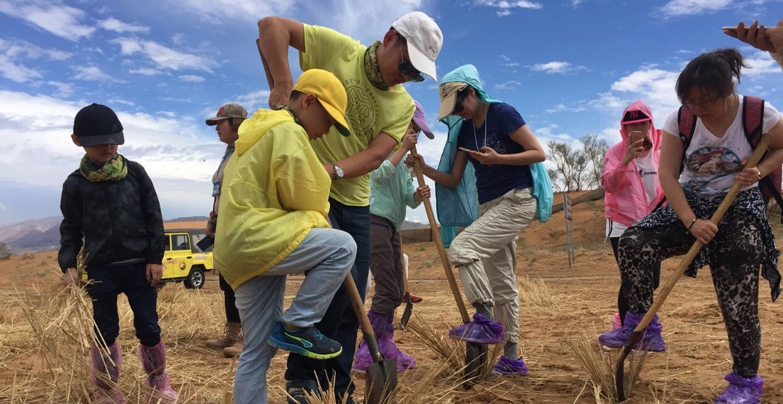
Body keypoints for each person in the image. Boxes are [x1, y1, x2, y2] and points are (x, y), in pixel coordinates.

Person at [257, 11, 443, 403]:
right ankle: (301, 379)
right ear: (391, 37)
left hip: (355, 198)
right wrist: (283, 84)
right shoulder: (338, 48)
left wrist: (330, 170)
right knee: (326, 289)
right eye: (406, 65)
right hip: (312, 193)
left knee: (353, 296)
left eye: (416, 74)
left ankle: (339, 386)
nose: (406, 76)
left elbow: (377, 155)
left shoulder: (402, 105)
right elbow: (270, 26)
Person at [598, 49, 783, 404]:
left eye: (706, 100)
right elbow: (668, 175)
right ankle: (642, 326)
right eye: (691, 101)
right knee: (635, 241)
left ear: (728, 87)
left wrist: (759, 170)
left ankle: (745, 384)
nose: (698, 108)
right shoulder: (679, 121)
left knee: (738, 301)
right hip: (690, 203)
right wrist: (691, 221)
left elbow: (782, 147)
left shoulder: (759, 113)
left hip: (739, 205)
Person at [212, 69, 357, 404]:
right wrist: (321, 195)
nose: (327, 131)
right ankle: (298, 325)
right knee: (342, 247)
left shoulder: (257, 132)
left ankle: (290, 329)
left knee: (257, 352)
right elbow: (303, 195)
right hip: (259, 239)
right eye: (329, 121)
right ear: (309, 101)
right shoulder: (288, 131)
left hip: (238, 251)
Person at [408, 64, 546, 375]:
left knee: (462, 248)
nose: (458, 111)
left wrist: (499, 160)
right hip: (489, 207)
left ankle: (484, 319)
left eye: (459, 104)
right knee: (502, 283)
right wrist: (423, 167)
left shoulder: (503, 114)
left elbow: (538, 153)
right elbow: (454, 178)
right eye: (452, 108)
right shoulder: (465, 132)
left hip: (516, 200)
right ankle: (511, 357)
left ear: (472, 91)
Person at [59, 103, 177, 403]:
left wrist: (155, 258)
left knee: (149, 327)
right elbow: (70, 228)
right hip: (100, 269)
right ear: (77, 141)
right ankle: (106, 388)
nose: (107, 146)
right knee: (104, 330)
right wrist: (68, 265)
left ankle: (158, 381)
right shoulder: (75, 184)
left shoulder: (135, 173)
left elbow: (154, 216)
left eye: (112, 139)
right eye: (98, 141)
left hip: (140, 266)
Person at [352, 100, 432, 373]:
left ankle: (385, 343)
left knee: (397, 290)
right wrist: (400, 150)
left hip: (392, 228)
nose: (416, 135)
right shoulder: (383, 147)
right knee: (386, 289)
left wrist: (418, 197)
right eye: (414, 129)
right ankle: (368, 351)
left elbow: (408, 199)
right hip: (375, 221)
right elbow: (376, 175)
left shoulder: (403, 159)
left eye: (418, 132)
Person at [600, 101, 665, 342]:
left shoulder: (663, 149)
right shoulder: (615, 152)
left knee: (652, 281)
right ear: (623, 128)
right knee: (631, 279)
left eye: (641, 123)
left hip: (655, 223)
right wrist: (625, 159)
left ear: (650, 123)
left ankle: (625, 321)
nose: (636, 128)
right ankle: (629, 332)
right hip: (622, 223)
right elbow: (608, 184)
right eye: (630, 125)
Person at [203, 103, 247, 358]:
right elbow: (221, 191)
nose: (217, 128)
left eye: (221, 123)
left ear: (237, 123)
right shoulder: (229, 153)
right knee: (227, 282)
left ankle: (247, 337)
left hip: (239, 228)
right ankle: (232, 333)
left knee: (242, 282)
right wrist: (213, 219)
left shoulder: (247, 151)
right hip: (224, 227)